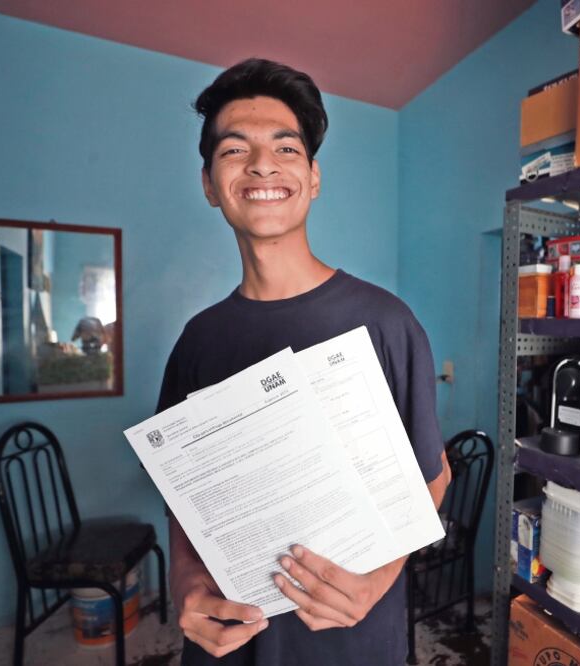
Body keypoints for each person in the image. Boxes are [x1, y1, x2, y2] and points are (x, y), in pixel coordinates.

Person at [156, 58, 452, 666]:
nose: (262, 164)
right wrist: (185, 586)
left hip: (348, 640)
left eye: (285, 148)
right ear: (210, 185)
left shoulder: (387, 323)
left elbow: (433, 475)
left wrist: (377, 580)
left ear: (312, 177)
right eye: (235, 150)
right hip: (231, 645)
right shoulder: (198, 342)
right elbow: (185, 506)